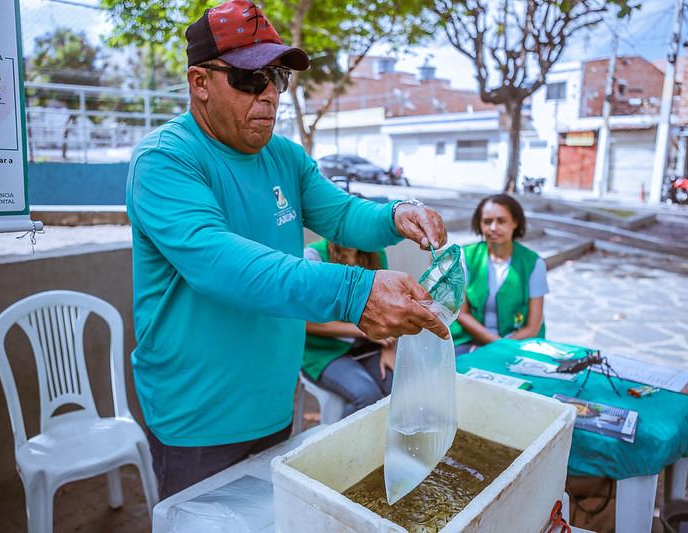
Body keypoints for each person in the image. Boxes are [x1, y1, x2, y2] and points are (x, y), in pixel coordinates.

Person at [126, 0, 449, 499]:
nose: (270, 95)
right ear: (200, 83)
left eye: (278, 77)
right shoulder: (166, 160)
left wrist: (394, 214)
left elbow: (341, 214)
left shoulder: (285, 156)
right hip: (198, 415)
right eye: (250, 79)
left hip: (275, 400)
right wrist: (353, 291)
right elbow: (220, 264)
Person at [302, 240, 396, 417]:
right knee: (367, 396)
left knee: (397, 390)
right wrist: (364, 332)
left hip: (369, 347)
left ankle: (378, 442)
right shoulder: (314, 258)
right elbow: (305, 324)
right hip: (324, 352)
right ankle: (340, 441)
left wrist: (388, 349)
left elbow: (386, 308)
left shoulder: (376, 252)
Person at [451, 194, 548, 355]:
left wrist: (503, 346)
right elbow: (462, 313)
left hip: (518, 343)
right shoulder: (465, 257)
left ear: (515, 223)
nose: (493, 228)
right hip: (472, 340)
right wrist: (495, 344)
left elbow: (533, 327)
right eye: (487, 222)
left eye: (501, 221)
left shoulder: (534, 263)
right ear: (479, 224)